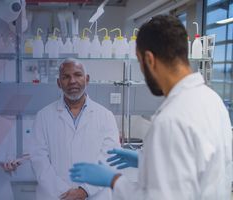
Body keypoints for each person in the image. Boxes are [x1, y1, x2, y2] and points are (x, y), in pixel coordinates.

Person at [69, 15, 232, 200]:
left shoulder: (171, 119)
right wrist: (146, 161)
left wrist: (114, 180)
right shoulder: (213, 101)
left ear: (149, 59)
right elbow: (197, 167)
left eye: (139, 62)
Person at [30, 58, 120, 200]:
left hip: (94, 195)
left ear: (87, 79)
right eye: (66, 77)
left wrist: (84, 190)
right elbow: (39, 160)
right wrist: (64, 192)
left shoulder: (105, 116)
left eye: (78, 75)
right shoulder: (43, 117)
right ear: (59, 83)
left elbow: (110, 160)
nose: (72, 81)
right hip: (56, 196)